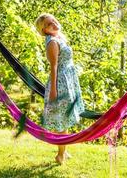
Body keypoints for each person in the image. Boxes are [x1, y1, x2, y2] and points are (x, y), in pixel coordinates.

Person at [35, 13, 85, 164]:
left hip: (68, 80)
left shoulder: (59, 37)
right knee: (62, 119)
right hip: (61, 83)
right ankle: (60, 154)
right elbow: (54, 67)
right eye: (49, 24)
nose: (54, 24)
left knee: (66, 116)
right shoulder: (52, 43)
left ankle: (64, 150)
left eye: (54, 21)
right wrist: (54, 91)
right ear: (44, 30)